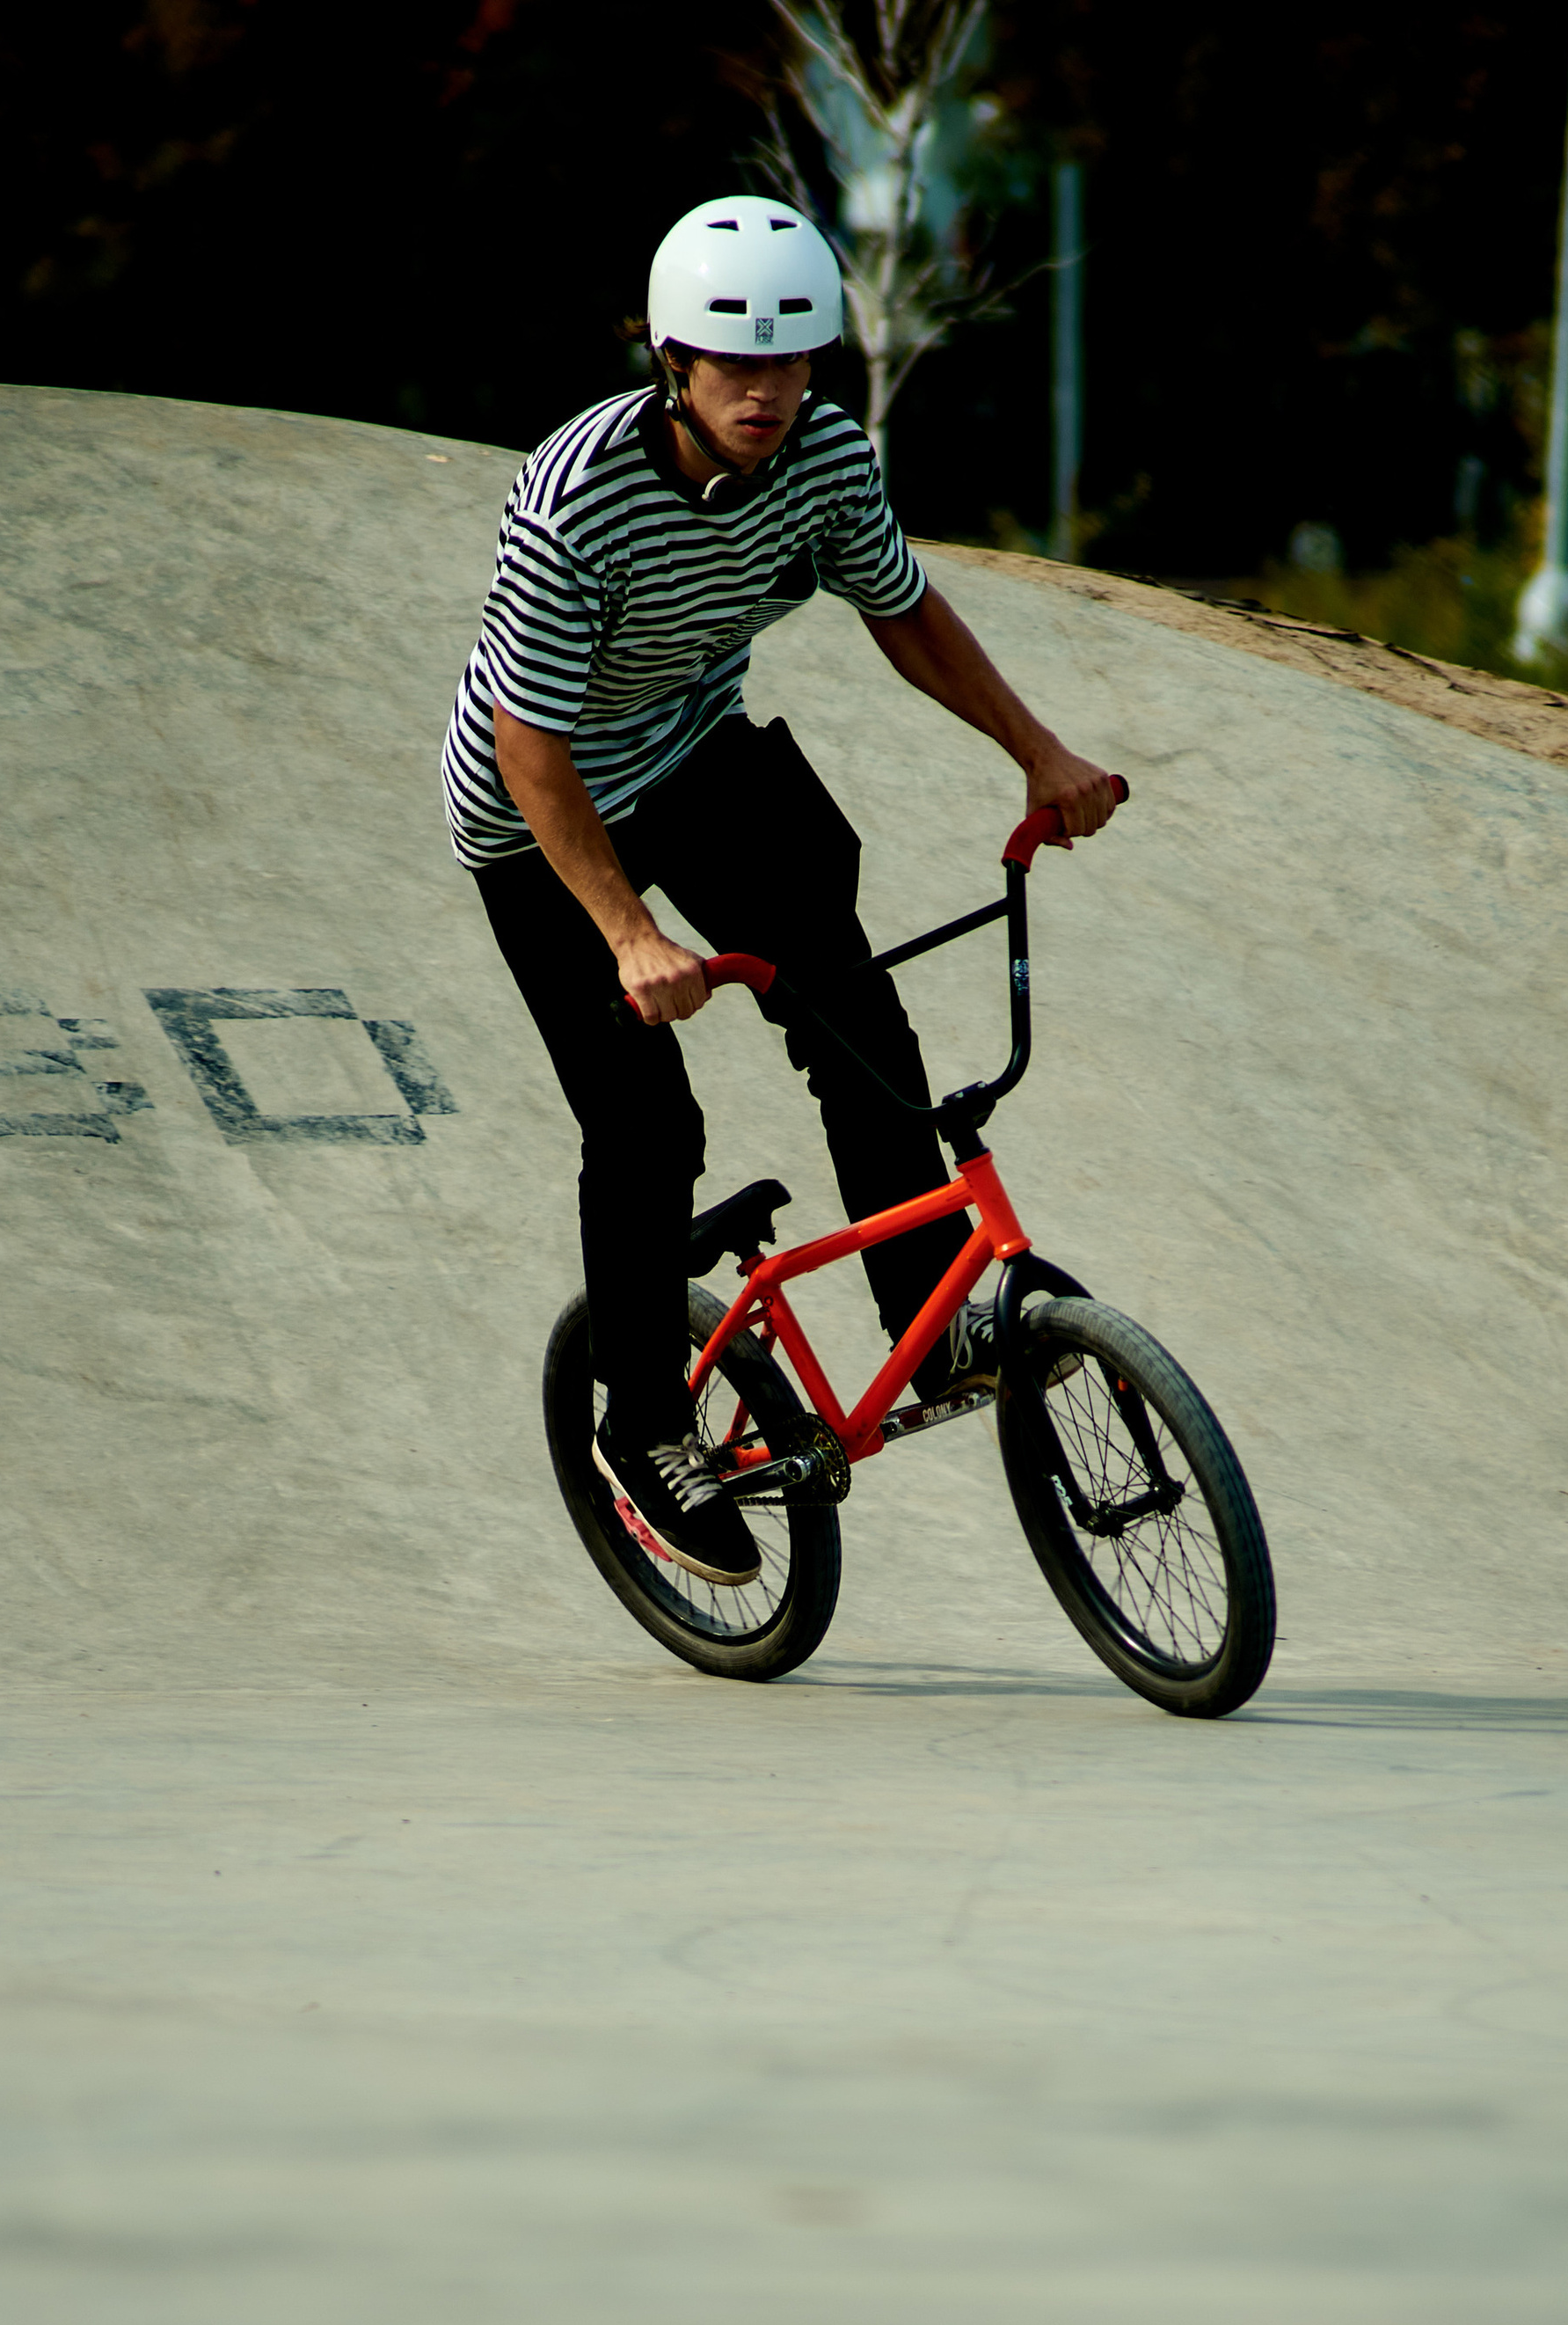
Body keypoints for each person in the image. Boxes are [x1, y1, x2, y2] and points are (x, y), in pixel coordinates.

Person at [445, 195, 1117, 1587]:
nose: (766, 393)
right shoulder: (575, 496)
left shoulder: (827, 457)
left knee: (852, 1006)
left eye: (793, 362)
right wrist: (628, 930)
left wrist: (1039, 752)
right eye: (735, 366)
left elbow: (905, 608)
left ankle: (923, 1313)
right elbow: (529, 742)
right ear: (672, 364)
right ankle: (643, 1426)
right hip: (539, 813)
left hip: (695, 754)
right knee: (644, 1118)